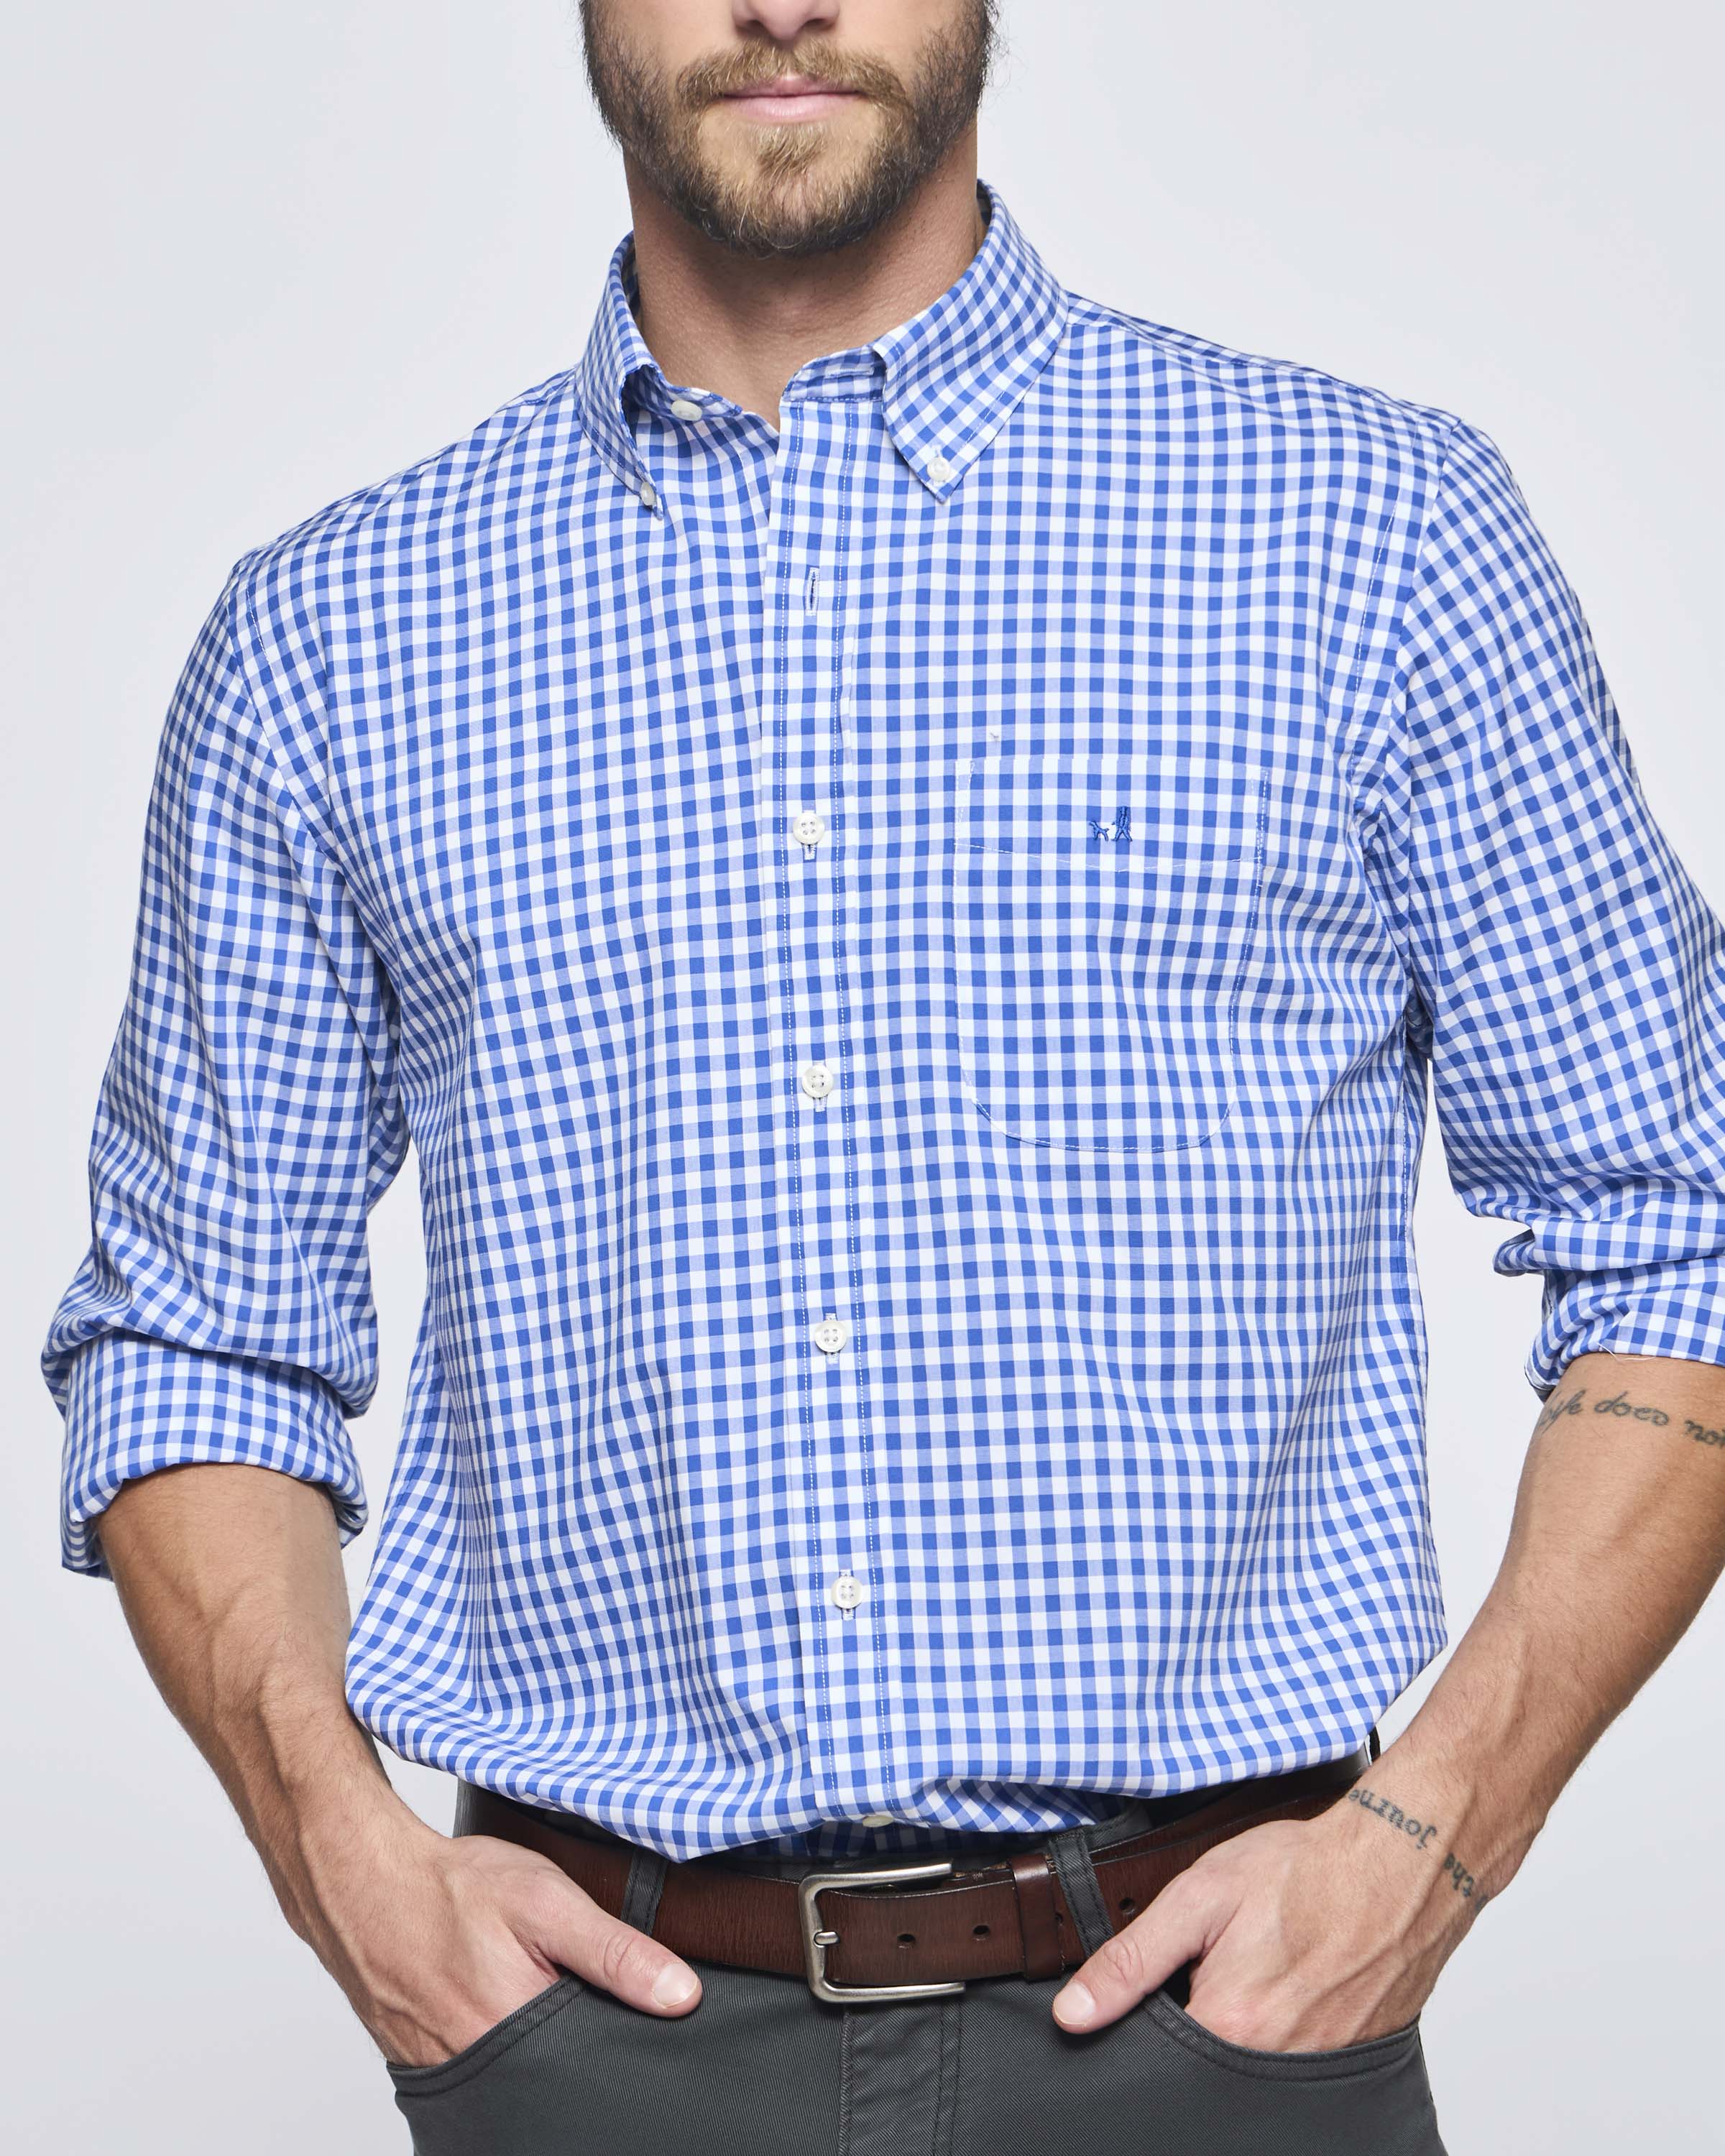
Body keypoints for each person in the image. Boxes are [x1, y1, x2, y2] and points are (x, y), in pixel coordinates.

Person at [40, 2, 1725, 2150]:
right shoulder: (330, 637)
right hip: (596, 2051)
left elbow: (1683, 1216)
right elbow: (195, 1336)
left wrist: (1437, 1838)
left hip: (1225, 2036)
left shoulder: (1371, 537)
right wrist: (342, 1866)